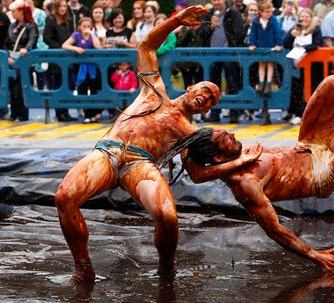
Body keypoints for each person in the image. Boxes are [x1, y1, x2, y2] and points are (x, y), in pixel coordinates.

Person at [54, 6, 244, 286]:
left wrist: (241, 161)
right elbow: (145, 46)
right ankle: (84, 267)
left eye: (212, 99)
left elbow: (197, 172)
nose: (206, 96)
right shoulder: (153, 89)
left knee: (168, 216)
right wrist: (176, 21)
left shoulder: (191, 133)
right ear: (190, 88)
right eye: (204, 89)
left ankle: (166, 268)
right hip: (108, 151)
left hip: (139, 165)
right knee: (64, 196)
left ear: (207, 110)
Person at [174, 75, 334, 271]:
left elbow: (198, 161)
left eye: (226, 133)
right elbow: (274, 229)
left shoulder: (234, 151)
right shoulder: (245, 183)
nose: (232, 134)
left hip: (309, 145)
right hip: (324, 172)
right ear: (218, 157)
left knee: (333, 83)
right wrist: (313, 254)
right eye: (226, 139)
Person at [198, 0, 246, 123]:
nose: (217, 2)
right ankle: (214, 113)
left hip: (229, 55)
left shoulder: (233, 13)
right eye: (215, 0)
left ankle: (234, 113)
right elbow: (201, 34)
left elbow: (240, 33)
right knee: (212, 86)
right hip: (212, 55)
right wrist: (211, 26)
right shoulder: (209, 14)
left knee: (232, 84)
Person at [283, 8, 323, 125]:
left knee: (312, 91)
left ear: (311, 18)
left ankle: (313, 115)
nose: (304, 19)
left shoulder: (316, 30)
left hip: (313, 67)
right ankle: (298, 114)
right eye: (302, 16)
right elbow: (285, 43)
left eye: (307, 17)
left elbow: (317, 44)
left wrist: (303, 49)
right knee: (297, 90)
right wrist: (291, 35)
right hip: (297, 66)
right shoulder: (295, 29)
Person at [62, 17, 102, 123]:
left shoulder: (94, 35)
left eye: (88, 26)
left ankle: (94, 114)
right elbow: (65, 45)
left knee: (93, 90)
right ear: (79, 27)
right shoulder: (76, 35)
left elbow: (98, 47)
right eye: (84, 26)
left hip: (92, 67)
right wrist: (75, 48)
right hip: (80, 67)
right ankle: (86, 114)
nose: (86, 28)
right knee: (82, 90)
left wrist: (92, 34)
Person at [43, 0, 76, 122]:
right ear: (56, 7)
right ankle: (59, 112)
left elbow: (72, 36)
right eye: (60, 6)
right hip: (57, 57)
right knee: (58, 85)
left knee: (68, 84)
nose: (62, 8)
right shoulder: (51, 20)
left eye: (64, 6)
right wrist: (59, 47)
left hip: (68, 57)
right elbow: (46, 38)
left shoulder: (68, 20)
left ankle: (65, 112)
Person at [5, 0, 38, 122]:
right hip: (11, 59)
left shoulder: (31, 26)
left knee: (21, 88)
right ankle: (13, 113)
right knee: (12, 87)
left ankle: (23, 114)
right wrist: (7, 56)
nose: (12, 14)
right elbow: (6, 43)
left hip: (24, 60)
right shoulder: (12, 25)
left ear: (21, 11)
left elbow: (32, 40)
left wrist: (26, 49)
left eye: (14, 11)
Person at [248, 2, 284, 96]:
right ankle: (261, 82)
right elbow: (253, 34)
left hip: (271, 46)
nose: (269, 13)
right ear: (260, 12)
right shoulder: (256, 21)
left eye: (270, 11)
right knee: (261, 63)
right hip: (260, 46)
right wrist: (252, 44)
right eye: (267, 12)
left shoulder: (273, 20)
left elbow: (277, 32)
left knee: (270, 63)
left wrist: (279, 44)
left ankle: (268, 83)